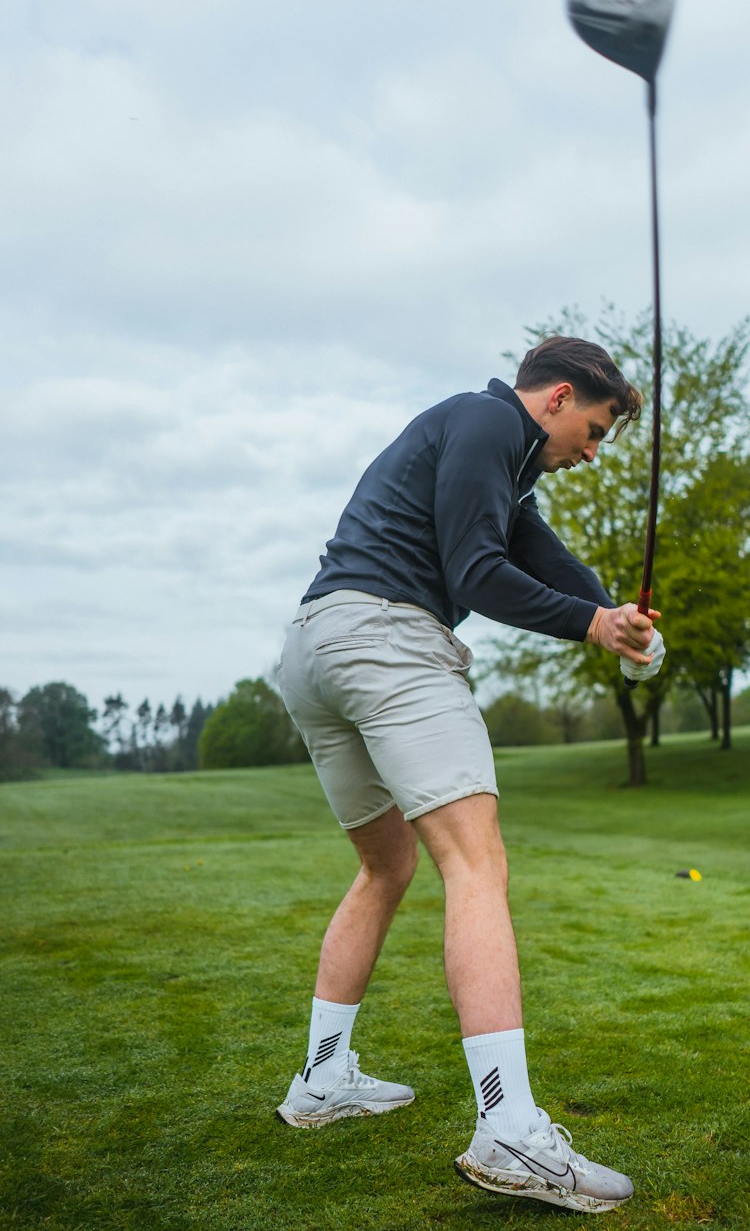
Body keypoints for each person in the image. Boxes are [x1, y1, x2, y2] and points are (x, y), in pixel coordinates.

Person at [275, 336, 665, 1214]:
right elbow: (478, 574)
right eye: (596, 430)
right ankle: (508, 1131)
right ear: (558, 397)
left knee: (387, 865)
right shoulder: (492, 423)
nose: (593, 453)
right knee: (476, 864)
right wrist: (594, 629)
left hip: (314, 647)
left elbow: (540, 554)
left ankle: (323, 1076)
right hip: (385, 639)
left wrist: (618, 615)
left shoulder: (493, 448)